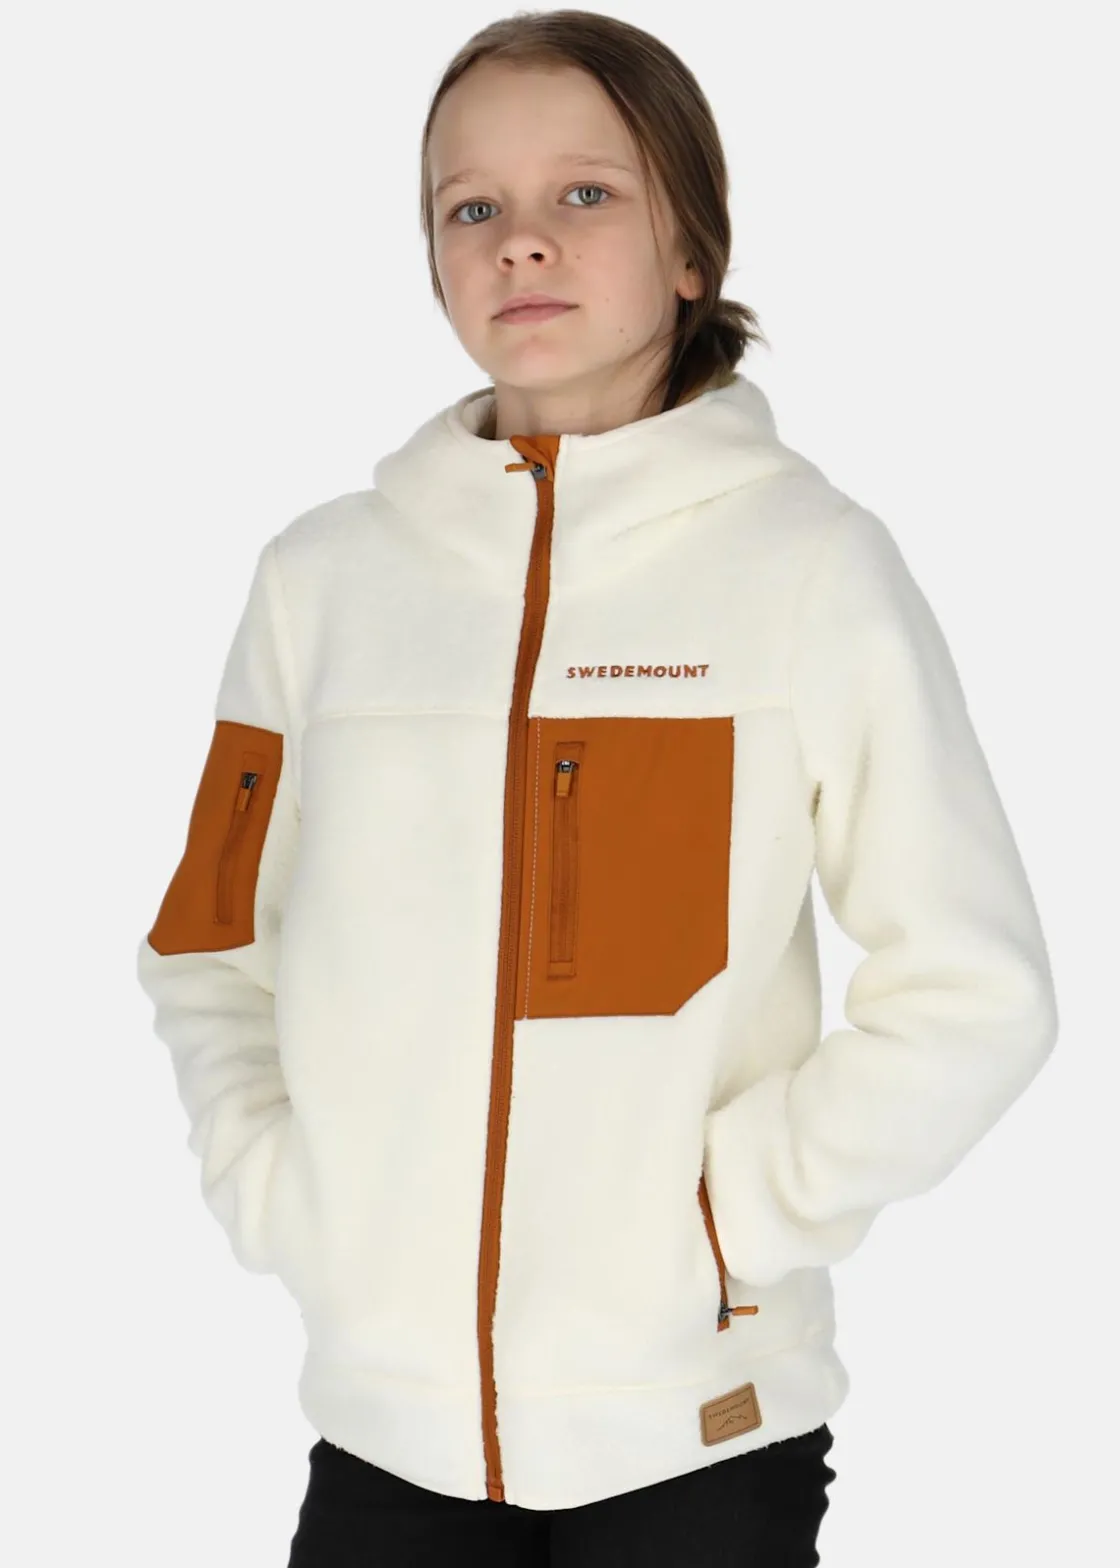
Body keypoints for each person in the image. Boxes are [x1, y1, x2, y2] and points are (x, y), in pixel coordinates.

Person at [135, 10, 1059, 1566]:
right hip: (386, 1432)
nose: (523, 243)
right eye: (471, 207)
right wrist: (284, 1192)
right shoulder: (321, 585)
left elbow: (976, 992)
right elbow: (209, 944)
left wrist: (727, 1219)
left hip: (697, 1439)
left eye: (586, 194)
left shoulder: (811, 569)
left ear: (692, 247)